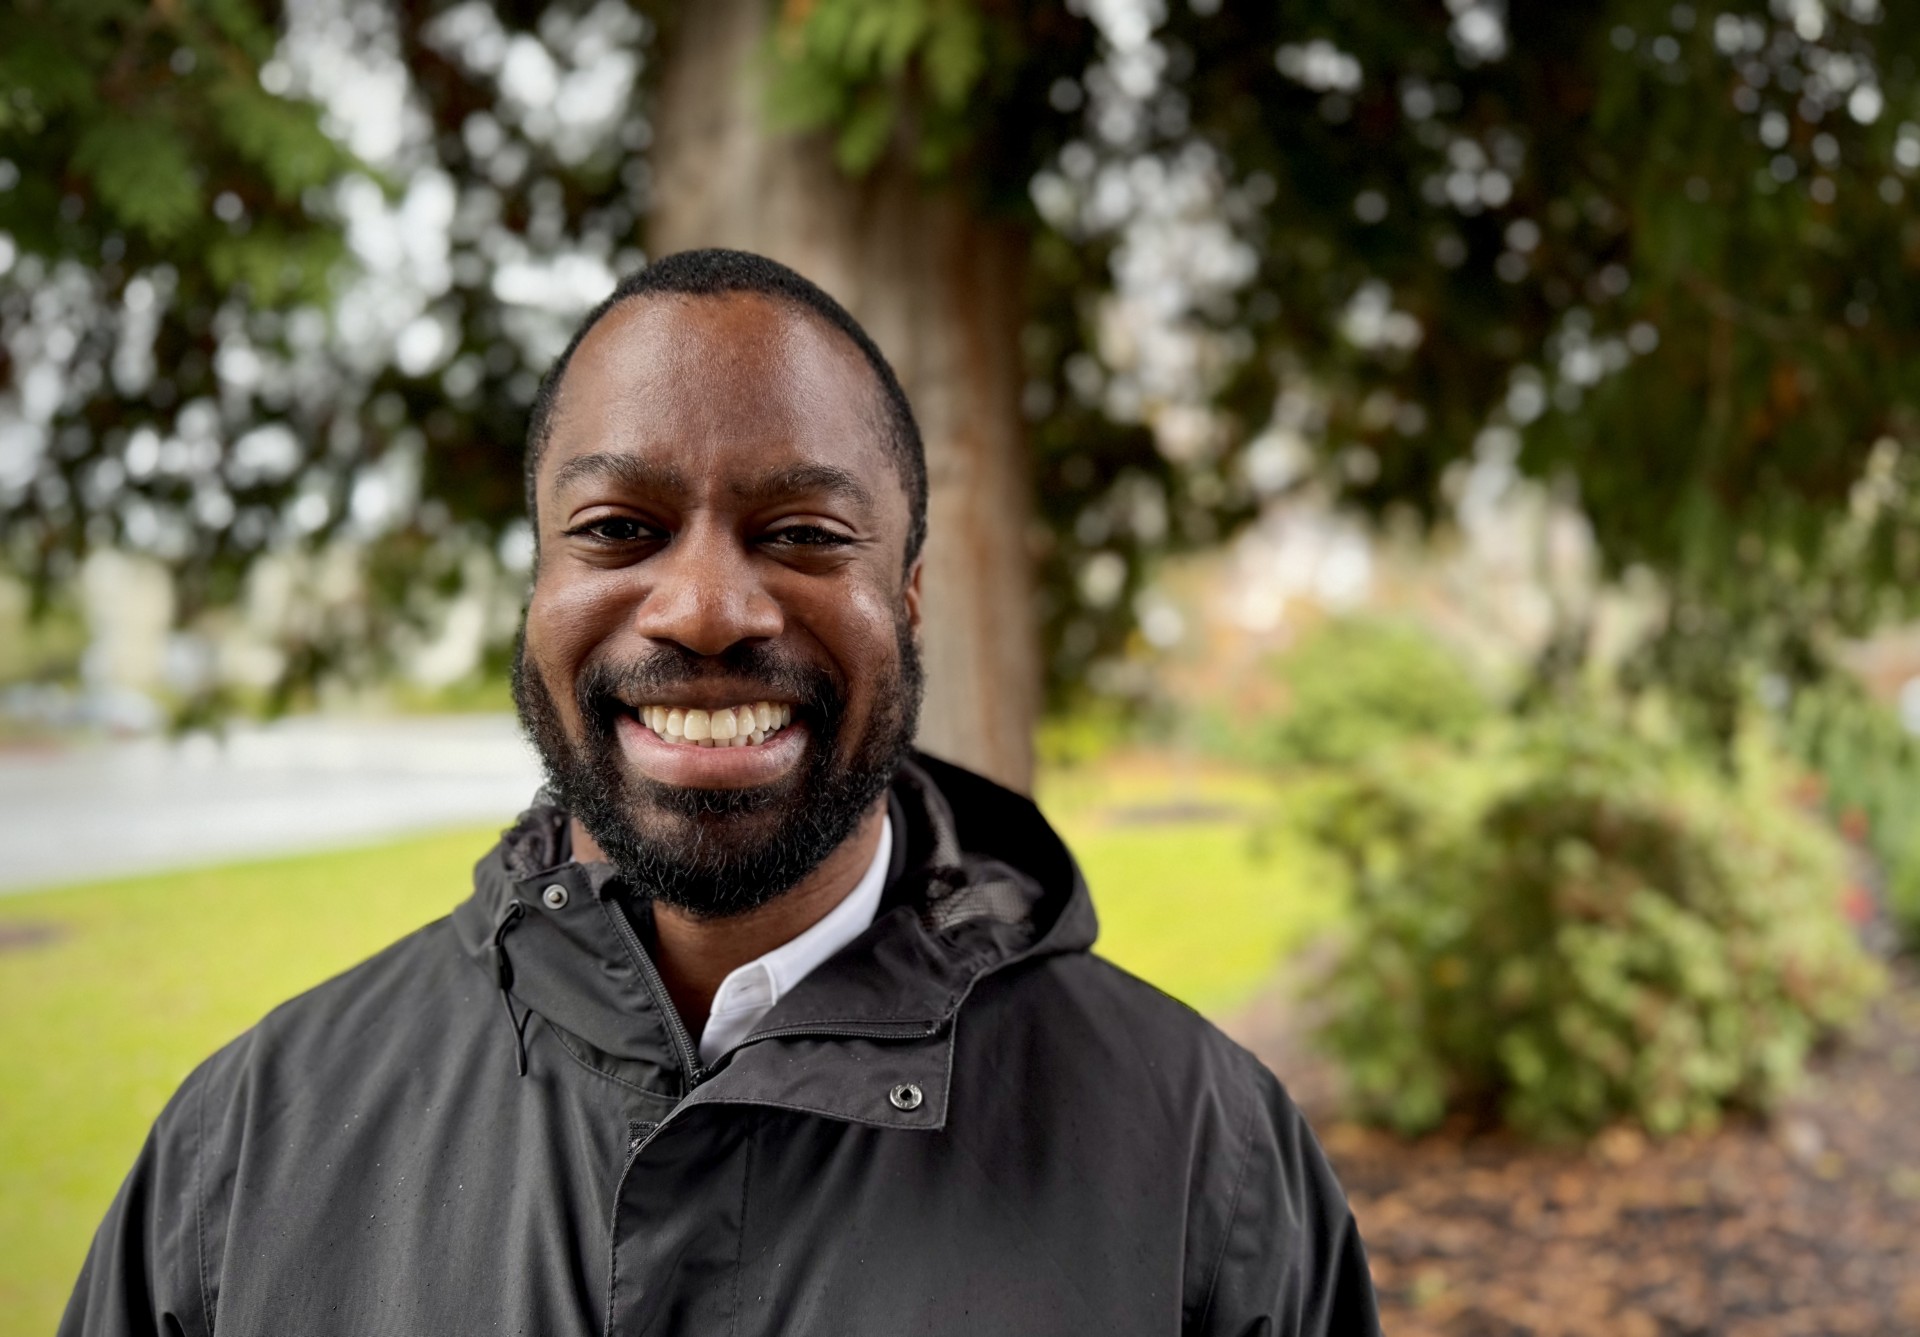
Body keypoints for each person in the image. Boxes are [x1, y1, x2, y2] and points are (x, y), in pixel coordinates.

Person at [61, 249, 1380, 1336]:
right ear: (537, 595)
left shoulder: (1209, 1161)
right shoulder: (246, 1150)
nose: (702, 610)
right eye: (617, 530)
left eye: (803, 535)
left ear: (907, 599)